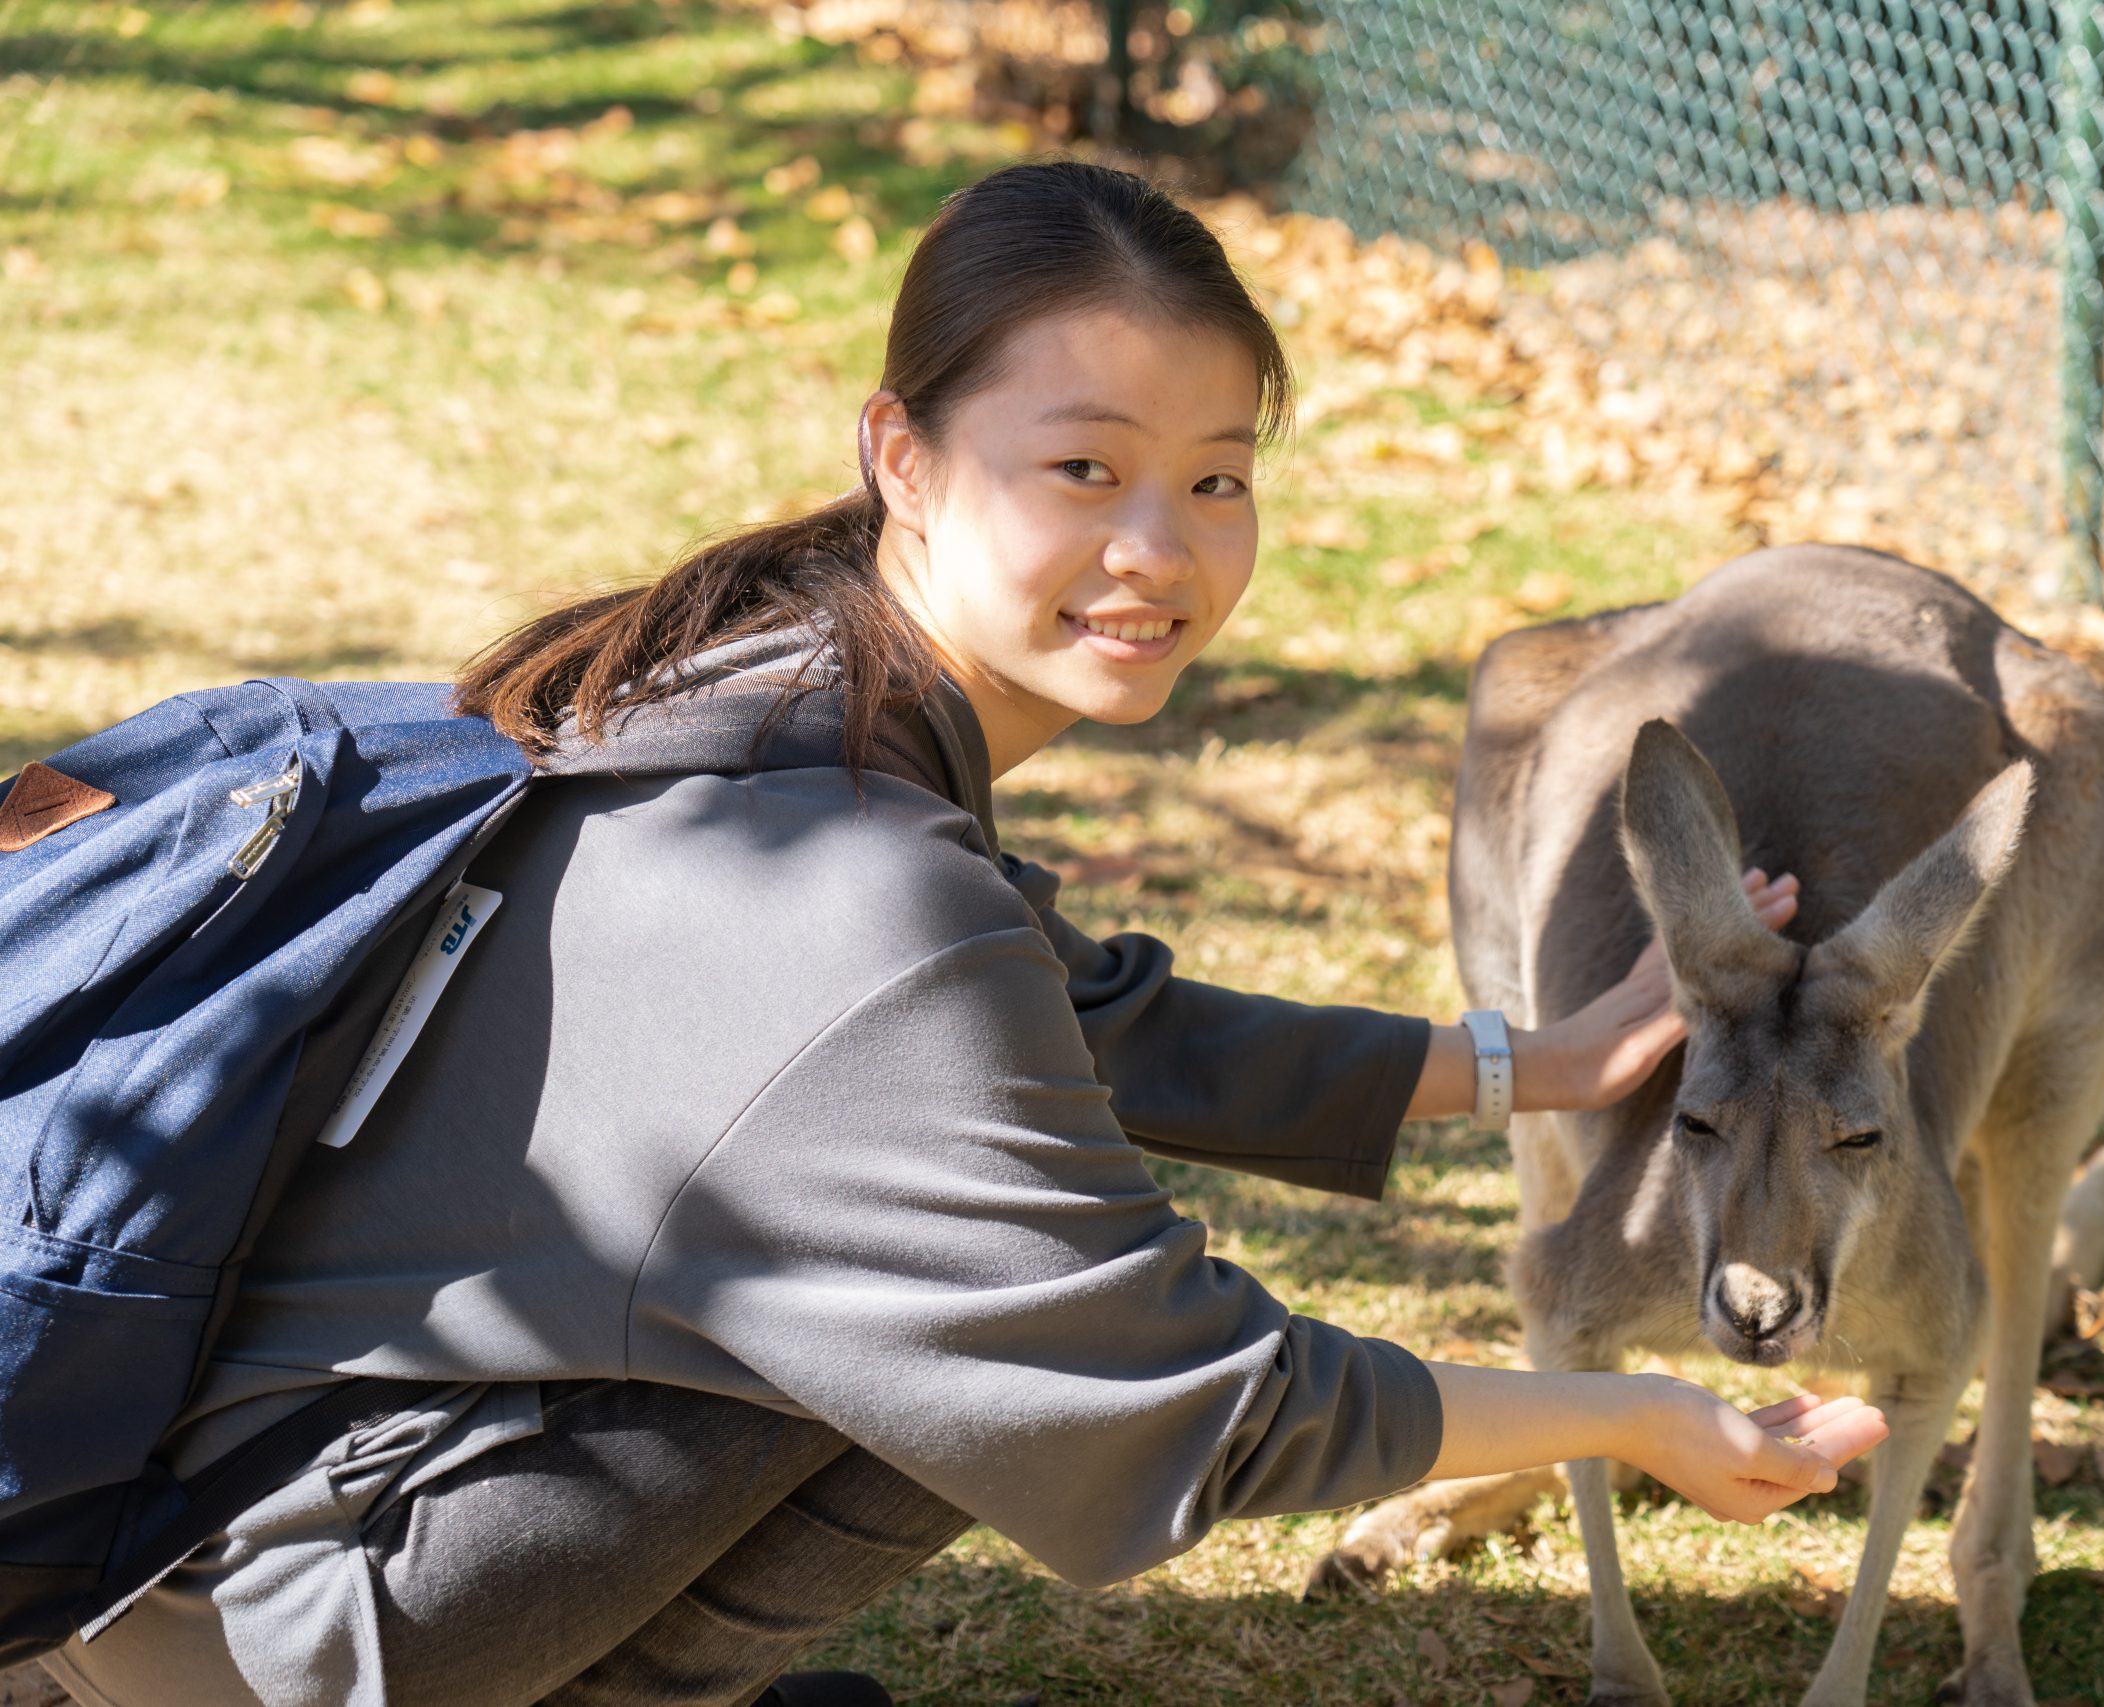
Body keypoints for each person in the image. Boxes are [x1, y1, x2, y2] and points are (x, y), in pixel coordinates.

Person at [41, 161, 1884, 1707]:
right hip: (244, 1626)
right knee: (965, 1337)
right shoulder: (855, 897)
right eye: (1081, 470)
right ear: (902, 455)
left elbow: (1074, 1020)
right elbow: (1181, 1396)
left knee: (908, 1271)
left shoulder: (762, 678)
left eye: (1217, 477)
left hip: (167, 1494)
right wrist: (1628, 1416)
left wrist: (1534, 1065)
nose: (1160, 548)